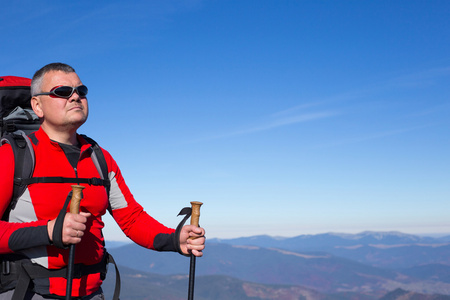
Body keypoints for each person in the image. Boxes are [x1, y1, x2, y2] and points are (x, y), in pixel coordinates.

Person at [0, 63, 206, 299]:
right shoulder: (13, 156)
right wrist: (48, 231)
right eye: (62, 92)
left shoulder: (100, 158)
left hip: (92, 292)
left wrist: (173, 238)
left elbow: (131, 218)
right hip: (31, 292)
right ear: (37, 105)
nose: (76, 97)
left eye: (81, 91)